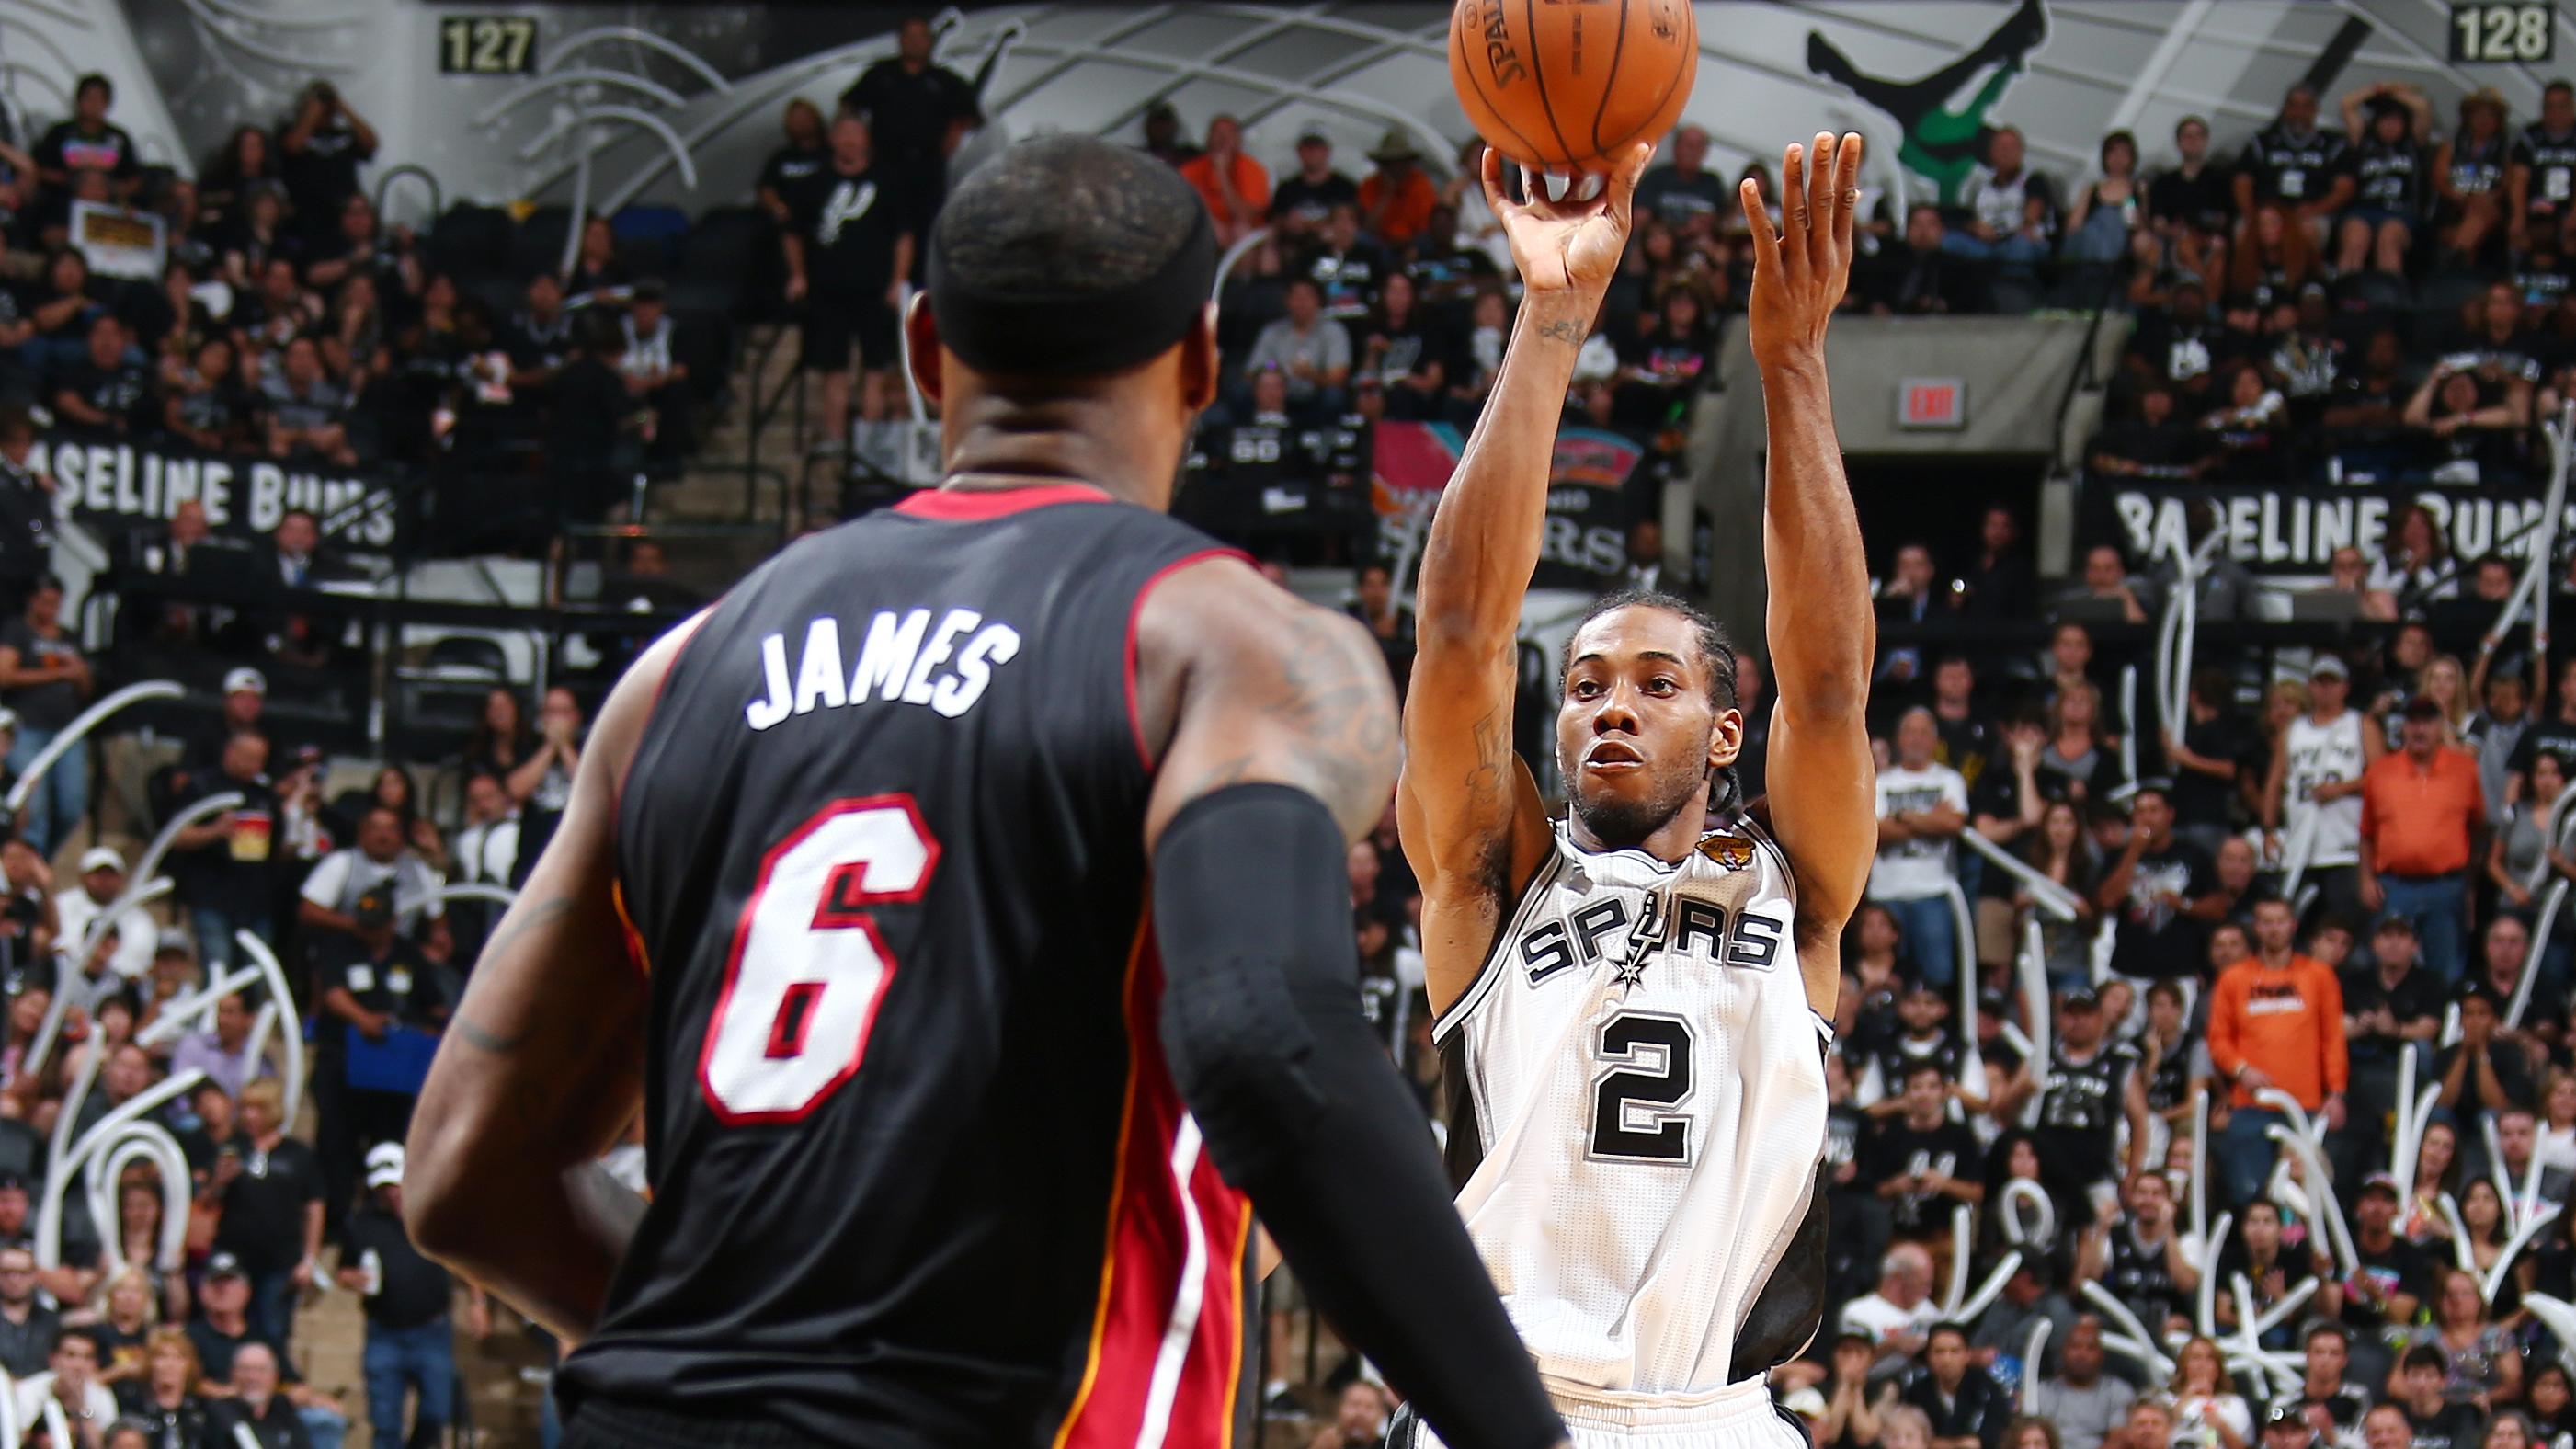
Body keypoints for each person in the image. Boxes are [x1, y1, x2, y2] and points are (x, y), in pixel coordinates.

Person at [403, 135, 1568, 1448]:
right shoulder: (1226, 643)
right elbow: (1260, 1037)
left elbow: (462, 1180)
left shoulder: (675, 675)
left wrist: (749, 1367)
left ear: (921, 352)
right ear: (1198, 359)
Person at [1375, 128, 1875, 1442]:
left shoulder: (1798, 889)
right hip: (1502, 1401)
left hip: (1714, 1412)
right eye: (1588, 683)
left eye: (1657, 683)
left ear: (1724, 733)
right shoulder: (1492, 877)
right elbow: (1464, 635)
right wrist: (1548, 321)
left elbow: (1825, 685)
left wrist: (1791, 363)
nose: (1608, 703)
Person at [782, 114, 916, 454]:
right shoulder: (814, 184)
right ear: (832, 139)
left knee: (875, 368)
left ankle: (869, 443)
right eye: (843, 134)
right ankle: (835, 436)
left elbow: (903, 237)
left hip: (874, 289)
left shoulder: (888, 182)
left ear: (867, 140)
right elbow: (793, 234)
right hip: (828, 291)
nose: (849, 141)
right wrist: (798, 274)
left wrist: (897, 282)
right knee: (834, 369)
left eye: (856, 134)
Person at [2207, 894, 2348, 1207]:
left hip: (2305, 1106)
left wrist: (2336, 1092)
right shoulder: (2233, 979)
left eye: (2280, 922)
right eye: (2266, 922)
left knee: (2307, 1198)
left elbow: (2332, 1038)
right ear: (2256, 928)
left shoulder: (2319, 976)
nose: (2274, 930)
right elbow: (2218, 1039)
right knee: (2248, 1195)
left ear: (2293, 926)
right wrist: (2242, 1069)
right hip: (2249, 1106)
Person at [338, 1143, 478, 1449]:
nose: (391, 1194)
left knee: (435, 1413)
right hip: (384, 1331)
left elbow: (463, 1259)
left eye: (396, 1186)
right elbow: (343, 1270)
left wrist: (477, 1303)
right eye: (384, 1188)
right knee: (385, 1422)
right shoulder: (363, 1224)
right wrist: (354, 1279)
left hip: (432, 1330)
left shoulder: (433, 1213)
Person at [2359, 699, 2484, 985]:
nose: (2419, 729)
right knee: (2388, 967)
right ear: (2403, 727)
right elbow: (2367, 832)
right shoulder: (2381, 771)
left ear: (2440, 726)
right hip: (2394, 885)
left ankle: (2444, 1027)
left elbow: (2478, 828)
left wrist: (2469, 884)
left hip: (2446, 884)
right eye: (2413, 721)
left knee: (2447, 966)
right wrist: (2366, 879)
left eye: (2427, 721)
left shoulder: (2464, 769)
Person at [837, 14, 976, 239]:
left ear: (929, 42)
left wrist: (956, 129)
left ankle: (920, 274)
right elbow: (849, 104)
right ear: (900, 40)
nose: (914, 42)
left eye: (921, 37)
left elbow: (970, 114)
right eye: (909, 36)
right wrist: (855, 137)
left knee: (927, 226)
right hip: (884, 162)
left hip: (928, 166)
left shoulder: (944, 79)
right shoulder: (881, 74)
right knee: (882, 223)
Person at [2266, 655, 2380, 926]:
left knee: (2342, 925)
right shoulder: (2294, 730)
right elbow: (2274, 781)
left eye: (2332, 682)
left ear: (2345, 687)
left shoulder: (2361, 725)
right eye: (2320, 682)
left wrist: (2341, 789)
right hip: (2301, 844)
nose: (2326, 689)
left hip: (2345, 846)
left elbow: (2380, 777)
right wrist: (2269, 830)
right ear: (2310, 687)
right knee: (2298, 924)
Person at [211, 1080, 323, 1352]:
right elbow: (206, 1201)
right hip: (235, 1258)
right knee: (230, 1325)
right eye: (245, 1108)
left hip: (279, 1260)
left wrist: (309, 1258)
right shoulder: (232, 1148)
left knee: (273, 1329)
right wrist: (219, 1180)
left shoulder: (297, 1154)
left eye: (257, 1109)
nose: (249, 1115)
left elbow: (314, 1206)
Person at [1874, 708, 1970, 987]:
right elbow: (1877, 830)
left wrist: (1902, 816)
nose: (1916, 739)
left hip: (1934, 891)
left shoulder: (1950, 780)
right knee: (1888, 977)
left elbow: (1953, 824)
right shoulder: (1882, 782)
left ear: (1934, 741)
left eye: (1923, 732)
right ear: (1899, 739)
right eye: (1910, 732)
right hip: (1887, 892)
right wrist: (1930, 818)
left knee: (1938, 976)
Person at [0, 575, 90, 855]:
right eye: (44, 602)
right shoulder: (17, 631)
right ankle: (25, 866)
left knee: (71, 806)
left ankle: (42, 861)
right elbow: (5, 675)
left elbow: (86, 690)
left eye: (55, 603)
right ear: (32, 600)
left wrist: (79, 672)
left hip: (67, 732)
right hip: (28, 729)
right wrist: (58, 673)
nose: (49, 609)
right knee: (34, 804)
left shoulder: (69, 637)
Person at [2027, 1317, 2135, 1449]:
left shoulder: (2118, 1392)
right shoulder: (2041, 1392)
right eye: (2075, 1347)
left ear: (2101, 1355)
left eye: (2090, 1348)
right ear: (2063, 1352)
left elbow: (2119, 1440)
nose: (2081, 1354)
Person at [1179, 114, 1271, 248]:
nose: (1223, 139)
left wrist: (1221, 174)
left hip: (1246, 236)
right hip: (1205, 231)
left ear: (1239, 140)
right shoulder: (1190, 170)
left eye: (1229, 134)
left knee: (1241, 231)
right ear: (1208, 138)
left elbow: (1244, 216)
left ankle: (1241, 270)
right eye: (1218, 133)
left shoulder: (1254, 170)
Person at [202, 1341, 312, 1449]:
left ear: (275, 1376)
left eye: (261, 1370)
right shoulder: (219, 1415)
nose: (252, 1377)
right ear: (232, 1374)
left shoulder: (285, 1413)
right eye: (245, 1369)